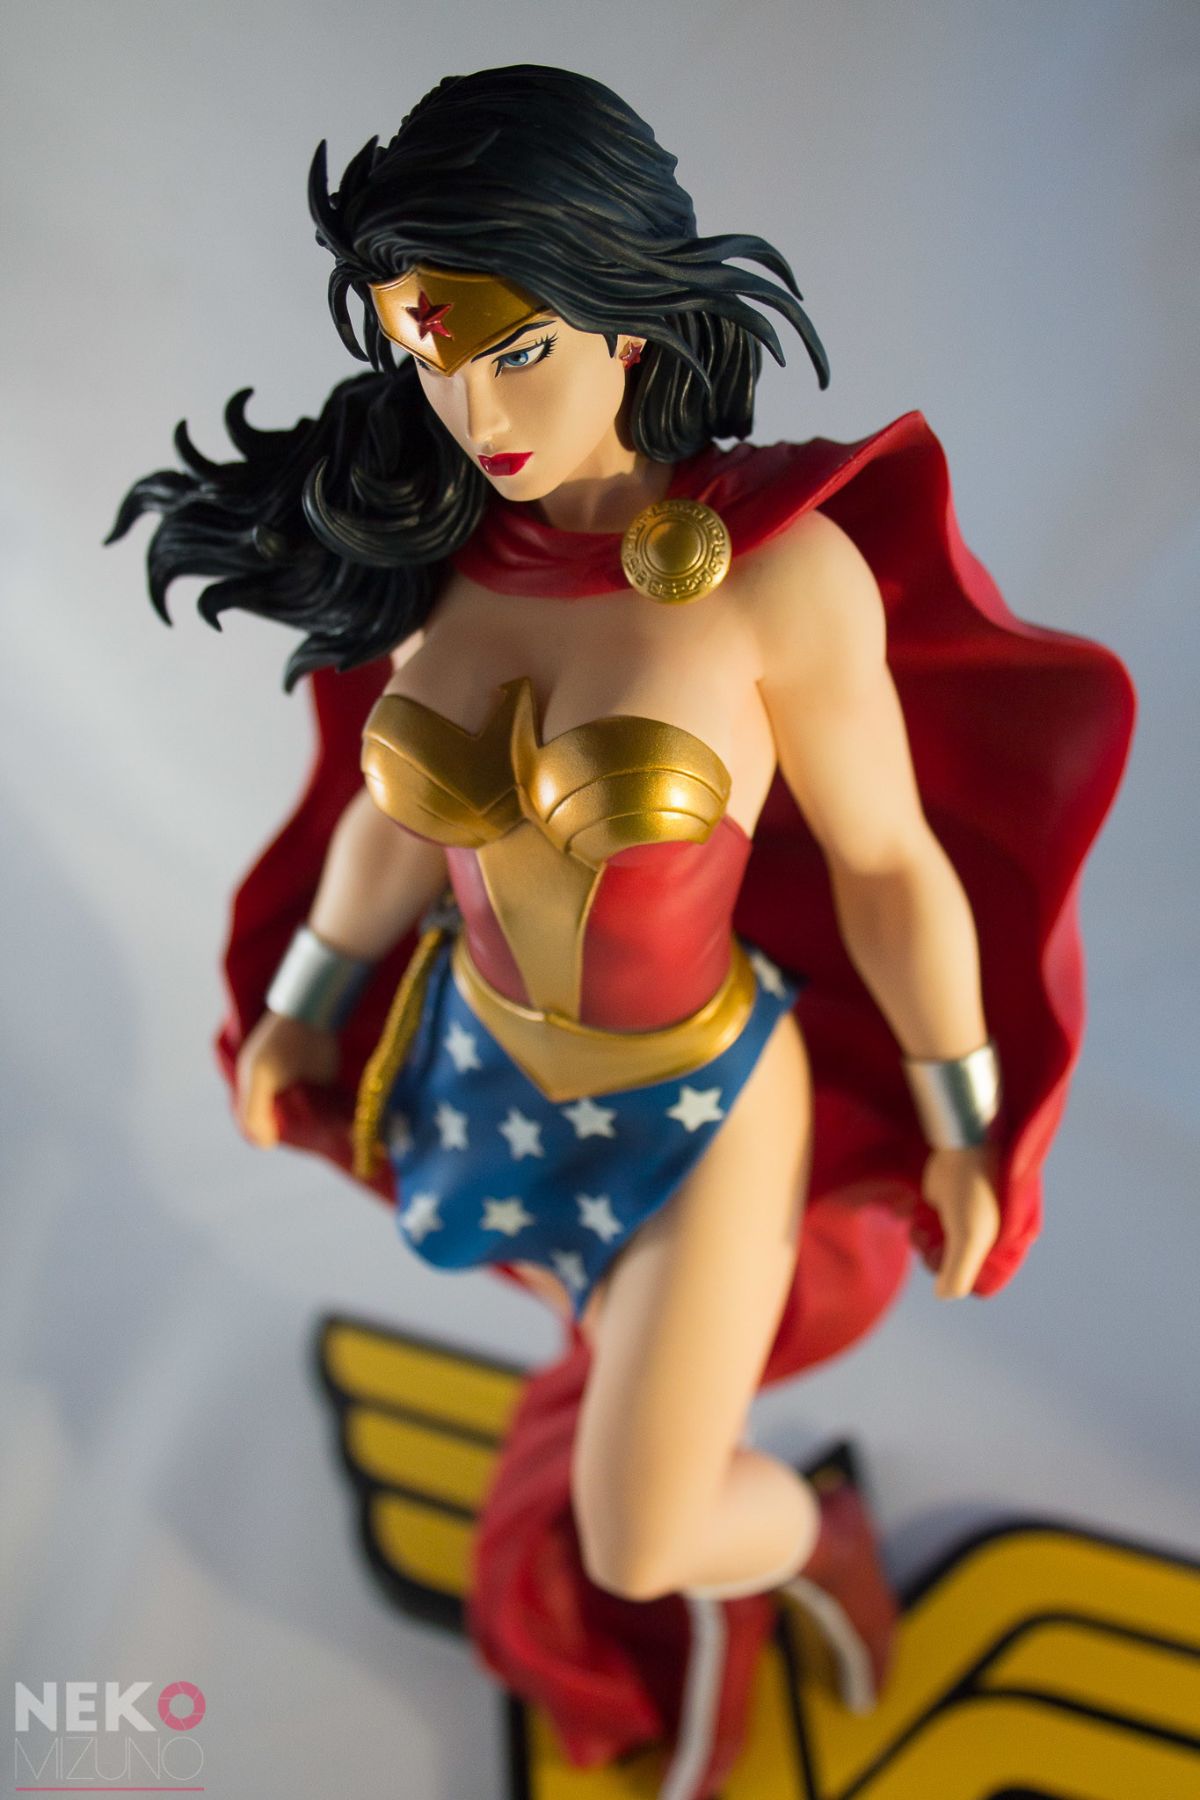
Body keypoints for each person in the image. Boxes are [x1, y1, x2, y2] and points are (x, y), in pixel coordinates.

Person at [109, 65, 1134, 1798]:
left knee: (647, 1531)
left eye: (518, 348)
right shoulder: (446, 553)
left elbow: (889, 866)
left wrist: (971, 1122)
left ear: (625, 313)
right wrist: (302, 1002)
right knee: (612, 1409)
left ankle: (803, 1536)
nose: (476, 407)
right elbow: (388, 821)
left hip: (701, 1108)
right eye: (431, 355)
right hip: (485, 1080)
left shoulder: (777, 581)